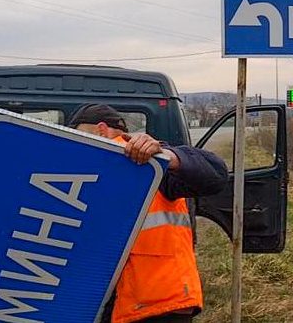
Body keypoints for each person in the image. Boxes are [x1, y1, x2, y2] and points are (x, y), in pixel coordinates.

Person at [68, 103, 228, 323]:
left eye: (78, 134)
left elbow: (216, 174)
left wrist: (167, 156)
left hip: (156, 307)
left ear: (101, 130)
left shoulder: (150, 164)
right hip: (125, 304)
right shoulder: (87, 173)